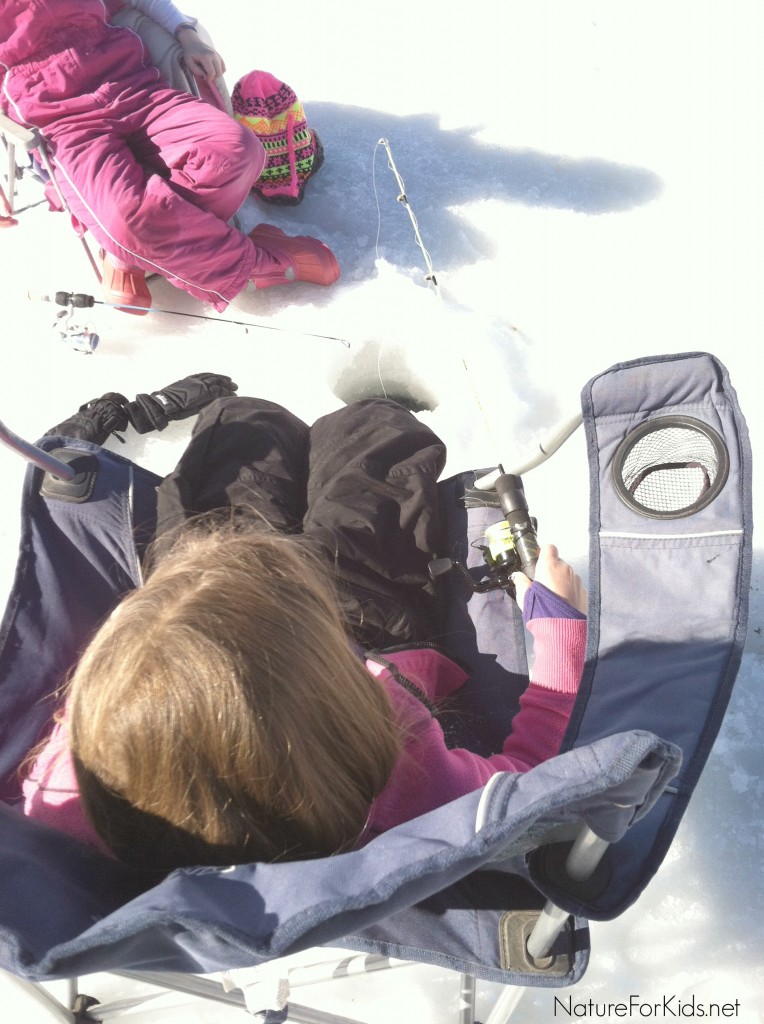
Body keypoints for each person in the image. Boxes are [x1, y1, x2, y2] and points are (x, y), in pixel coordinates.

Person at [23, 390, 587, 871]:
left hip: (200, 613)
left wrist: (150, 641)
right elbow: (527, 782)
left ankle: (265, 445)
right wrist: (561, 630)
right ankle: (368, 412)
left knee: (240, 424)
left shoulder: (68, 803)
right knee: (374, 434)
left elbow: (74, 735)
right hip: (367, 625)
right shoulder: (398, 769)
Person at [0, 1, 339, 315]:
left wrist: (187, 35)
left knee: (238, 152)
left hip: (133, 84)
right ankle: (262, 262)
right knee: (124, 217)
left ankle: (124, 255)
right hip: (60, 120)